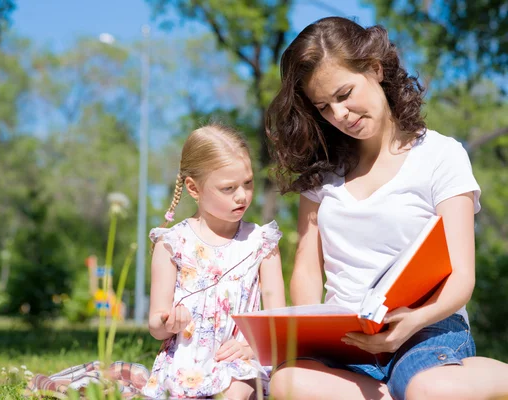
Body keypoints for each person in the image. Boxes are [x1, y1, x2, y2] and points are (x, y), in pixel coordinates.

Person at [265, 16, 508, 400]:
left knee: (430, 389)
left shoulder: (441, 155)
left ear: (375, 69)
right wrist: (313, 333)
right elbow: (308, 269)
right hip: (345, 339)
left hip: (424, 330)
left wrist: (413, 321)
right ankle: (395, 392)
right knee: (287, 382)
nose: (339, 115)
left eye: (344, 94)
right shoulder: (322, 174)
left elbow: (462, 278)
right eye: (324, 107)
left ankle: (490, 378)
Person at [142, 123, 286, 399]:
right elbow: (155, 326)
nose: (242, 195)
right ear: (194, 189)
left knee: (235, 391)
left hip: (242, 363)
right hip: (185, 367)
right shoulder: (172, 244)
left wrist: (253, 347)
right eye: (228, 188)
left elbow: (277, 320)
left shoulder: (262, 243)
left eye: (248, 182)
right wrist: (168, 322)